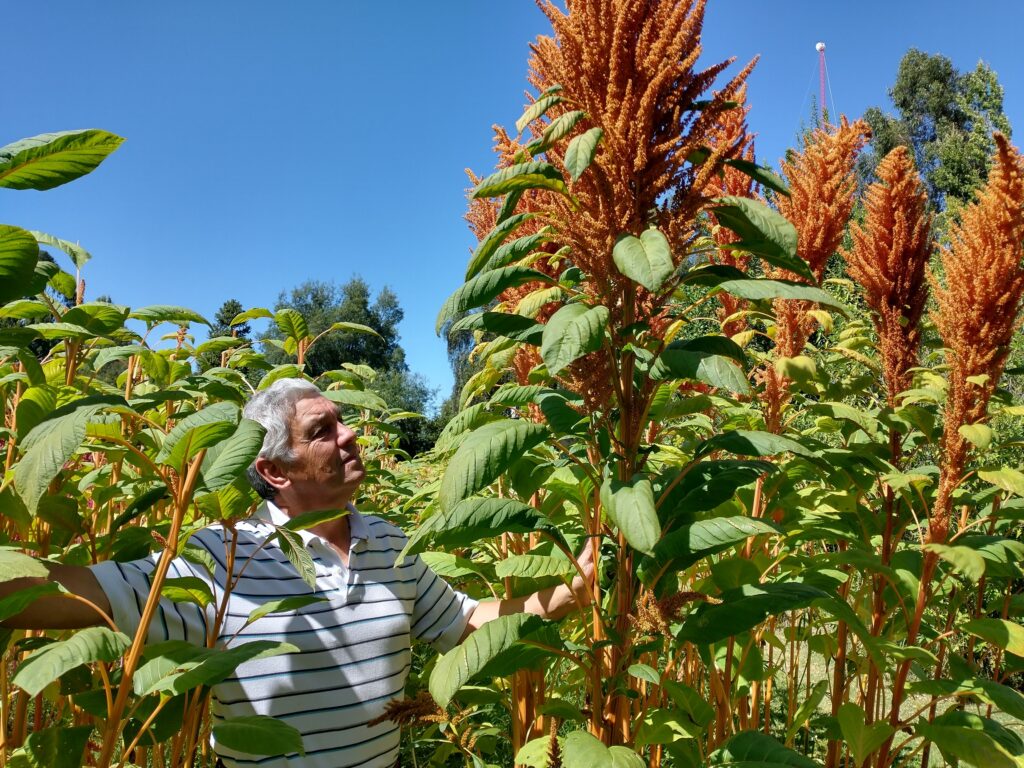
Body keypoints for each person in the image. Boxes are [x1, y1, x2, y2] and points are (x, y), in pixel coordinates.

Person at [2, 378, 594, 768]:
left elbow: (466, 622)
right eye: (322, 431)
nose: (349, 434)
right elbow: (75, 593)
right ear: (274, 471)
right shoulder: (223, 559)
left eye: (341, 420)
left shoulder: (393, 542)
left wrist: (570, 592)